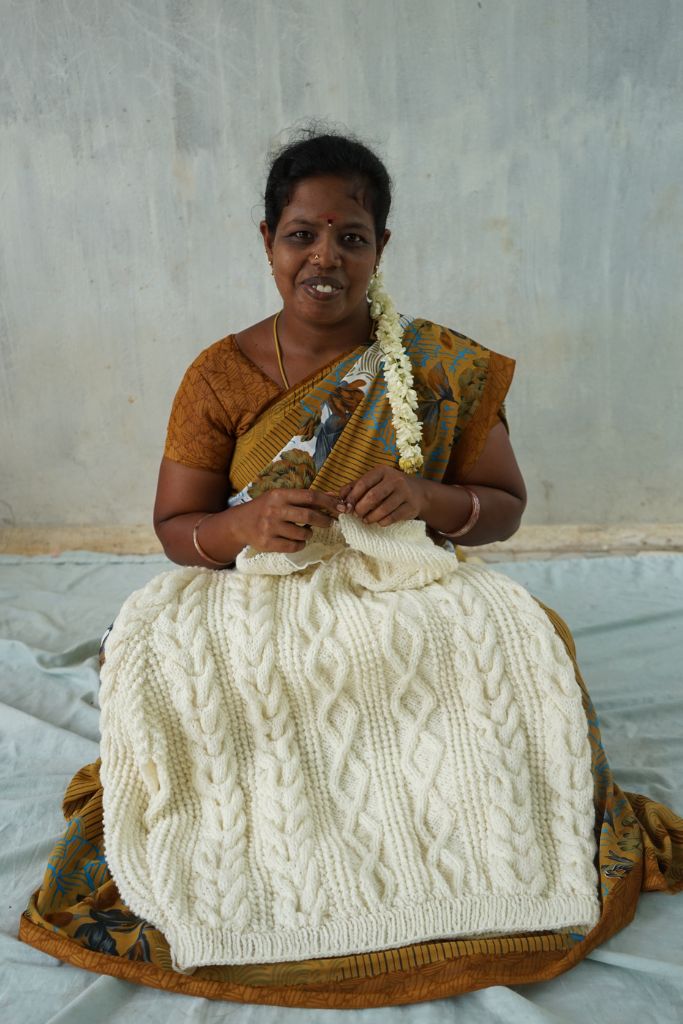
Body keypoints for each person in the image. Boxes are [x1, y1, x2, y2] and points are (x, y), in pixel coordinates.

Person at [19, 130, 683, 1010]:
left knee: (522, 643)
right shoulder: (218, 375)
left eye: (351, 236)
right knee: (209, 672)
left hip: (400, 573)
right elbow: (176, 529)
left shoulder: (437, 366)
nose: (325, 257)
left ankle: (463, 854)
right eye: (302, 234)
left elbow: (503, 508)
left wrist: (425, 498)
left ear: (380, 248)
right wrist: (246, 521)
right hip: (257, 579)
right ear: (267, 241)